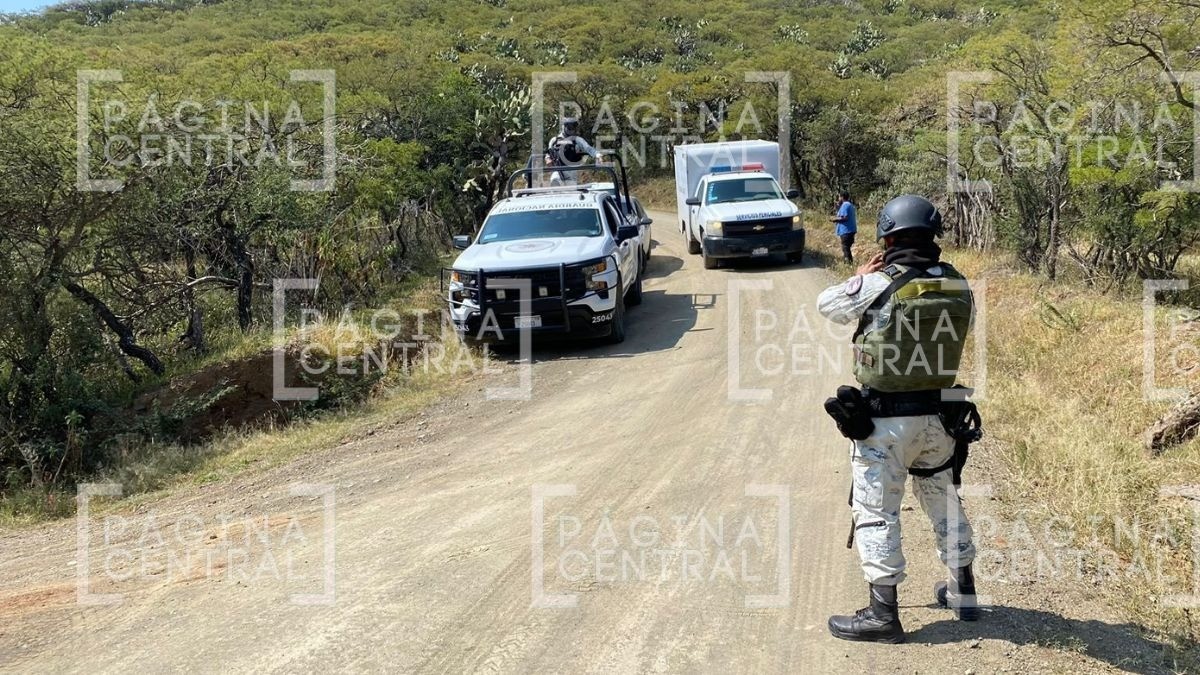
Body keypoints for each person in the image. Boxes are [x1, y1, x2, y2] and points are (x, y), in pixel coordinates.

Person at [817, 194, 979, 644]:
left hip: (883, 424)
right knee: (943, 500)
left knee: (875, 510)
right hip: (941, 419)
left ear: (886, 237)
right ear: (934, 238)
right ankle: (963, 592)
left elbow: (827, 305)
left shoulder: (879, 282)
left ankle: (882, 614)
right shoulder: (959, 283)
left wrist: (860, 277)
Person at [545, 117, 600, 186]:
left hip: (571, 171)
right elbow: (548, 153)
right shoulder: (554, 140)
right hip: (557, 170)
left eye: (574, 127)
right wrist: (547, 159)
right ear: (564, 127)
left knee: (570, 190)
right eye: (569, 127)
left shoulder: (577, 140)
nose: (572, 130)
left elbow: (589, 148)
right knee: (555, 182)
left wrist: (598, 155)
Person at [830, 191, 857, 264]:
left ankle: (848, 263)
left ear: (842, 197)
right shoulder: (849, 205)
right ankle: (850, 263)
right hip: (850, 230)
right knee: (847, 248)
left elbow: (845, 218)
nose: (838, 199)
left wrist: (834, 219)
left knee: (845, 247)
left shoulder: (845, 205)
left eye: (839, 197)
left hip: (846, 230)